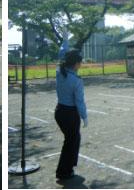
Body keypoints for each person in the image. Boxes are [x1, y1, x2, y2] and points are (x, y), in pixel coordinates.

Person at [54, 50, 86, 180]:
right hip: (70, 113)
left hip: (60, 111)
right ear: (76, 64)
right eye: (80, 63)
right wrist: (85, 116)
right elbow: (79, 101)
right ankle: (63, 171)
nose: (81, 65)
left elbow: (63, 58)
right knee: (70, 142)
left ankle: (68, 167)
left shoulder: (59, 73)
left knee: (73, 139)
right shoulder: (76, 80)